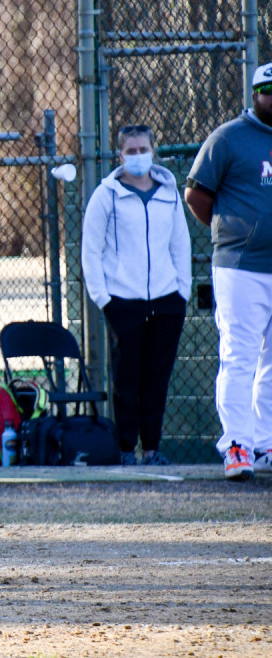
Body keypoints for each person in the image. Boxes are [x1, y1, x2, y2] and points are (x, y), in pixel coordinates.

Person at [82, 124, 190, 466]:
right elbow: (91, 251)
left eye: (144, 150)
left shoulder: (169, 192)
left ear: (153, 152)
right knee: (127, 379)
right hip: (122, 303)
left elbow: (180, 244)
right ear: (120, 155)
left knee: (157, 379)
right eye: (131, 151)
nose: (138, 156)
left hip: (166, 301)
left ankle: (152, 449)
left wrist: (181, 291)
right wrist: (104, 298)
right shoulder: (106, 195)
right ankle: (126, 449)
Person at [185, 62, 272, 481]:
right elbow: (197, 195)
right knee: (239, 355)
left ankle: (265, 441)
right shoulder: (229, 138)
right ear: (255, 95)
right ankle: (236, 445)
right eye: (269, 91)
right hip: (241, 266)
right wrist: (234, 233)